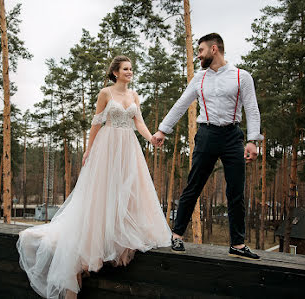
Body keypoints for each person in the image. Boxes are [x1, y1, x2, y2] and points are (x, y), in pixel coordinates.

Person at [17, 55, 171, 299]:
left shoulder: (133, 96)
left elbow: (138, 122)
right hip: (107, 147)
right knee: (103, 192)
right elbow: (96, 124)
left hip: (128, 147)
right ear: (115, 73)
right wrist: (89, 149)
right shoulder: (105, 94)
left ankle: (120, 234)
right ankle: (94, 245)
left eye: (131, 69)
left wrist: (151, 137)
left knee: (128, 190)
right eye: (125, 69)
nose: (130, 72)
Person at [152, 33, 263, 260]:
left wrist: (252, 141)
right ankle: (177, 235)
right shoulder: (199, 78)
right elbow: (181, 104)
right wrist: (163, 129)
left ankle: (237, 244)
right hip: (206, 134)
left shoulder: (242, 76)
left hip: (233, 135)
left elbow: (251, 108)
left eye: (200, 50)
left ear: (214, 49)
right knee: (194, 185)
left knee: (236, 191)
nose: (198, 55)